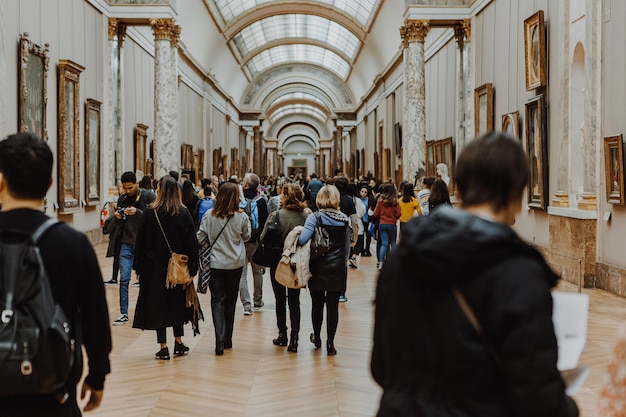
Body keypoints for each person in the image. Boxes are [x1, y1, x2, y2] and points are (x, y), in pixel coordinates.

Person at [371, 132, 579, 417]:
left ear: (460, 184)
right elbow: (537, 393)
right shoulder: (516, 272)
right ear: (516, 189)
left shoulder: (401, 259)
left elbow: (381, 367)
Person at [0, 132, 111, 416]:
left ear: (1, 181)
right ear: (49, 184)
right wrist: (97, 374)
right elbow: (94, 315)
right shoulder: (72, 244)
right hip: (52, 392)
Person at [132, 175, 199, 360]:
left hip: (154, 268)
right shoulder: (183, 213)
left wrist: (138, 268)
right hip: (177, 267)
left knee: (158, 305)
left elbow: (141, 242)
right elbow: (192, 243)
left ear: (159, 190)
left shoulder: (150, 213)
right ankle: (178, 342)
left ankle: (163, 346)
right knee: (177, 303)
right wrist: (192, 268)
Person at [197, 182, 251, 355]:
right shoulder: (241, 217)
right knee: (231, 301)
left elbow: (199, 236)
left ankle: (218, 340)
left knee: (217, 300)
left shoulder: (208, 215)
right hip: (235, 264)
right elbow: (247, 236)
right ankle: (228, 338)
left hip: (215, 264)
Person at [298, 185, 350, 356]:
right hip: (336, 268)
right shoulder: (344, 219)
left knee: (317, 304)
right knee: (333, 305)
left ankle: (318, 337)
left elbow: (303, 239)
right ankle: (331, 343)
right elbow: (347, 248)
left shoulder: (315, 217)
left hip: (318, 266)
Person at [261, 183, 309, 352]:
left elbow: (263, 236)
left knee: (280, 300)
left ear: (286, 197)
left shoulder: (276, 215)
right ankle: (295, 338)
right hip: (297, 262)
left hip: (279, 262)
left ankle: (283, 334)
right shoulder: (306, 215)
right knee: (294, 301)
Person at [108, 171, 156, 325]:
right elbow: (118, 225)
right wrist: (118, 217)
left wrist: (138, 212)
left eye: (130, 188)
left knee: (147, 279)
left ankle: (147, 310)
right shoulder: (122, 199)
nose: (127, 191)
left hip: (144, 245)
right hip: (127, 243)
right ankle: (123, 312)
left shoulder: (148, 196)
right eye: (125, 188)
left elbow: (154, 219)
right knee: (124, 279)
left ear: (136, 184)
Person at [238, 173, 269, 315]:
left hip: (240, 241)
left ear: (245, 184)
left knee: (242, 274)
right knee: (257, 272)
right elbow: (264, 224)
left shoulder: (239, 199)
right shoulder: (261, 201)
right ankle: (258, 300)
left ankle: (246, 305)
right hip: (255, 241)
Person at [373, 183, 401, 270]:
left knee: (384, 243)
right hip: (392, 224)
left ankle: (380, 262)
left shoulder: (380, 202)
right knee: (393, 243)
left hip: (382, 224)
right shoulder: (395, 202)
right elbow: (398, 214)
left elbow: (375, 213)